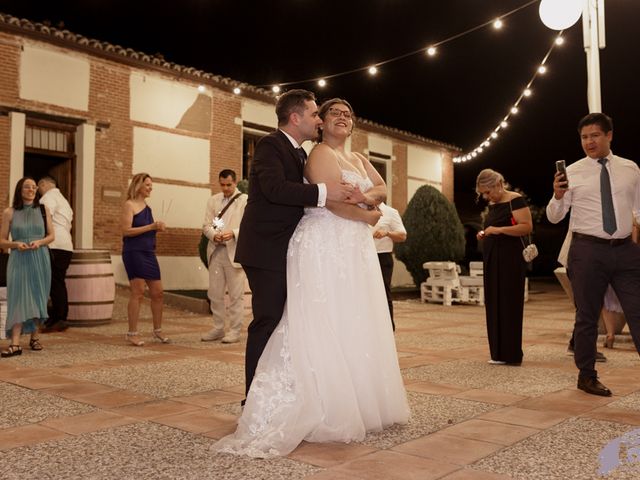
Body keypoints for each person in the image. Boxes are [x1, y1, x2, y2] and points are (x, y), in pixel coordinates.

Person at [215, 98, 409, 457]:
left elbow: (378, 191)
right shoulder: (281, 148)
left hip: (334, 245)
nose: (330, 117)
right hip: (279, 246)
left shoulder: (314, 153)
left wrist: (365, 197)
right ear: (301, 119)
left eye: (344, 114)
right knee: (275, 321)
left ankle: (342, 395)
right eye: (322, 113)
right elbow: (291, 193)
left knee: (337, 317)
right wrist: (362, 213)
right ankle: (258, 399)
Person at [234, 89, 355, 396]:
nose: (319, 119)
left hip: (288, 249)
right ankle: (254, 399)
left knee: (289, 322)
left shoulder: (301, 153)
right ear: (295, 117)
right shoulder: (270, 145)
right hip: (265, 249)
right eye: (315, 114)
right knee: (268, 321)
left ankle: (282, 392)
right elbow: (275, 189)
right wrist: (324, 192)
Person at [546, 112, 640, 397]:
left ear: (609, 135)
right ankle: (586, 376)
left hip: (625, 250)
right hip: (587, 250)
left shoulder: (631, 169)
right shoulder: (571, 172)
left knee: (637, 311)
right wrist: (558, 195)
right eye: (584, 137)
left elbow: (638, 209)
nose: (589, 142)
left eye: (595, 135)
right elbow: (553, 216)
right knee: (586, 316)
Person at [476, 169, 533, 366]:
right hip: (493, 258)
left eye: (487, 192)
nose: (486, 196)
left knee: (509, 303)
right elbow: (493, 227)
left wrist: (498, 230)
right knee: (494, 302)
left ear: (497, 184)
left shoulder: (514, 200)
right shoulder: (493, 204)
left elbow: (526, 227)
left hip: (510, 259)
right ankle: (498, 353)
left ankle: (512, 354)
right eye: (483, 193)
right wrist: (484, 233)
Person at [0, 177, 54, 357]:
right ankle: (15, 344)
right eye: (27, 187)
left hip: (40, 257)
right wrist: (16, 245)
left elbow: (51, 236)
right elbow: (2, 241)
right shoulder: (10, 212)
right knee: (18, 297)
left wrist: (40, 242)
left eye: (33, 187)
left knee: (39, 296)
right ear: (20, 190)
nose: (31, 189)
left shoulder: (44, 210)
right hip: (19, 259)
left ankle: (34, 337)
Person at [121, 173, 168, 346]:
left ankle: (158, 331)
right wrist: (151, 226)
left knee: (158, 292)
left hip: (149, 252)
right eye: (147, 185)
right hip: (134, 252)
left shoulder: (147, 206)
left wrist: (157, 229)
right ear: (138, 185)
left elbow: (146, 230)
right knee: (138, 292)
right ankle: (132, 333)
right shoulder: (129, 205)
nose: (150, 188)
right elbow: (126, 231)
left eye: (151, 185)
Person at [201, 169, 247, 344]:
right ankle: (218, 327)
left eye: (229, 184)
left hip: (234, 251)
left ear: (235, 182)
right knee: (215, 293)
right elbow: (207, 225)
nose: (226, 188)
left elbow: (249, 226)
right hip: (216, 251)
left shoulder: (244, 200)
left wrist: (233, 233)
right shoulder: (214, 200)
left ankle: (235, 330)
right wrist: (214, 235)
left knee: (236, 295)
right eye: (222, 185)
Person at [558, 231, 608, 361]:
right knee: (587, 306)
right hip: (580, 260)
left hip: (585, 259)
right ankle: (584, 349)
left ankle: (576, 345)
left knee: (586, 306)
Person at [38, 176, 73, 333]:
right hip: (66, 245)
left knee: (53, 282)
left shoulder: (48, 197)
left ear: (43, 184)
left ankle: (58, 318)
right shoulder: (64, 201)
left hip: (54, 244)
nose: (38, 191)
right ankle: (59, 317)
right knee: (58, 281)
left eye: (38, 187)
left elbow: (45, 218)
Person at [373, 201, 407, 330]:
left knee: (383, 293)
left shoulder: (391, 212)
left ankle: (388, 329)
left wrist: (387, 233)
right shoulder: (359, 209)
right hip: (362, 256)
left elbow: (402, 235)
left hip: (382, 257)